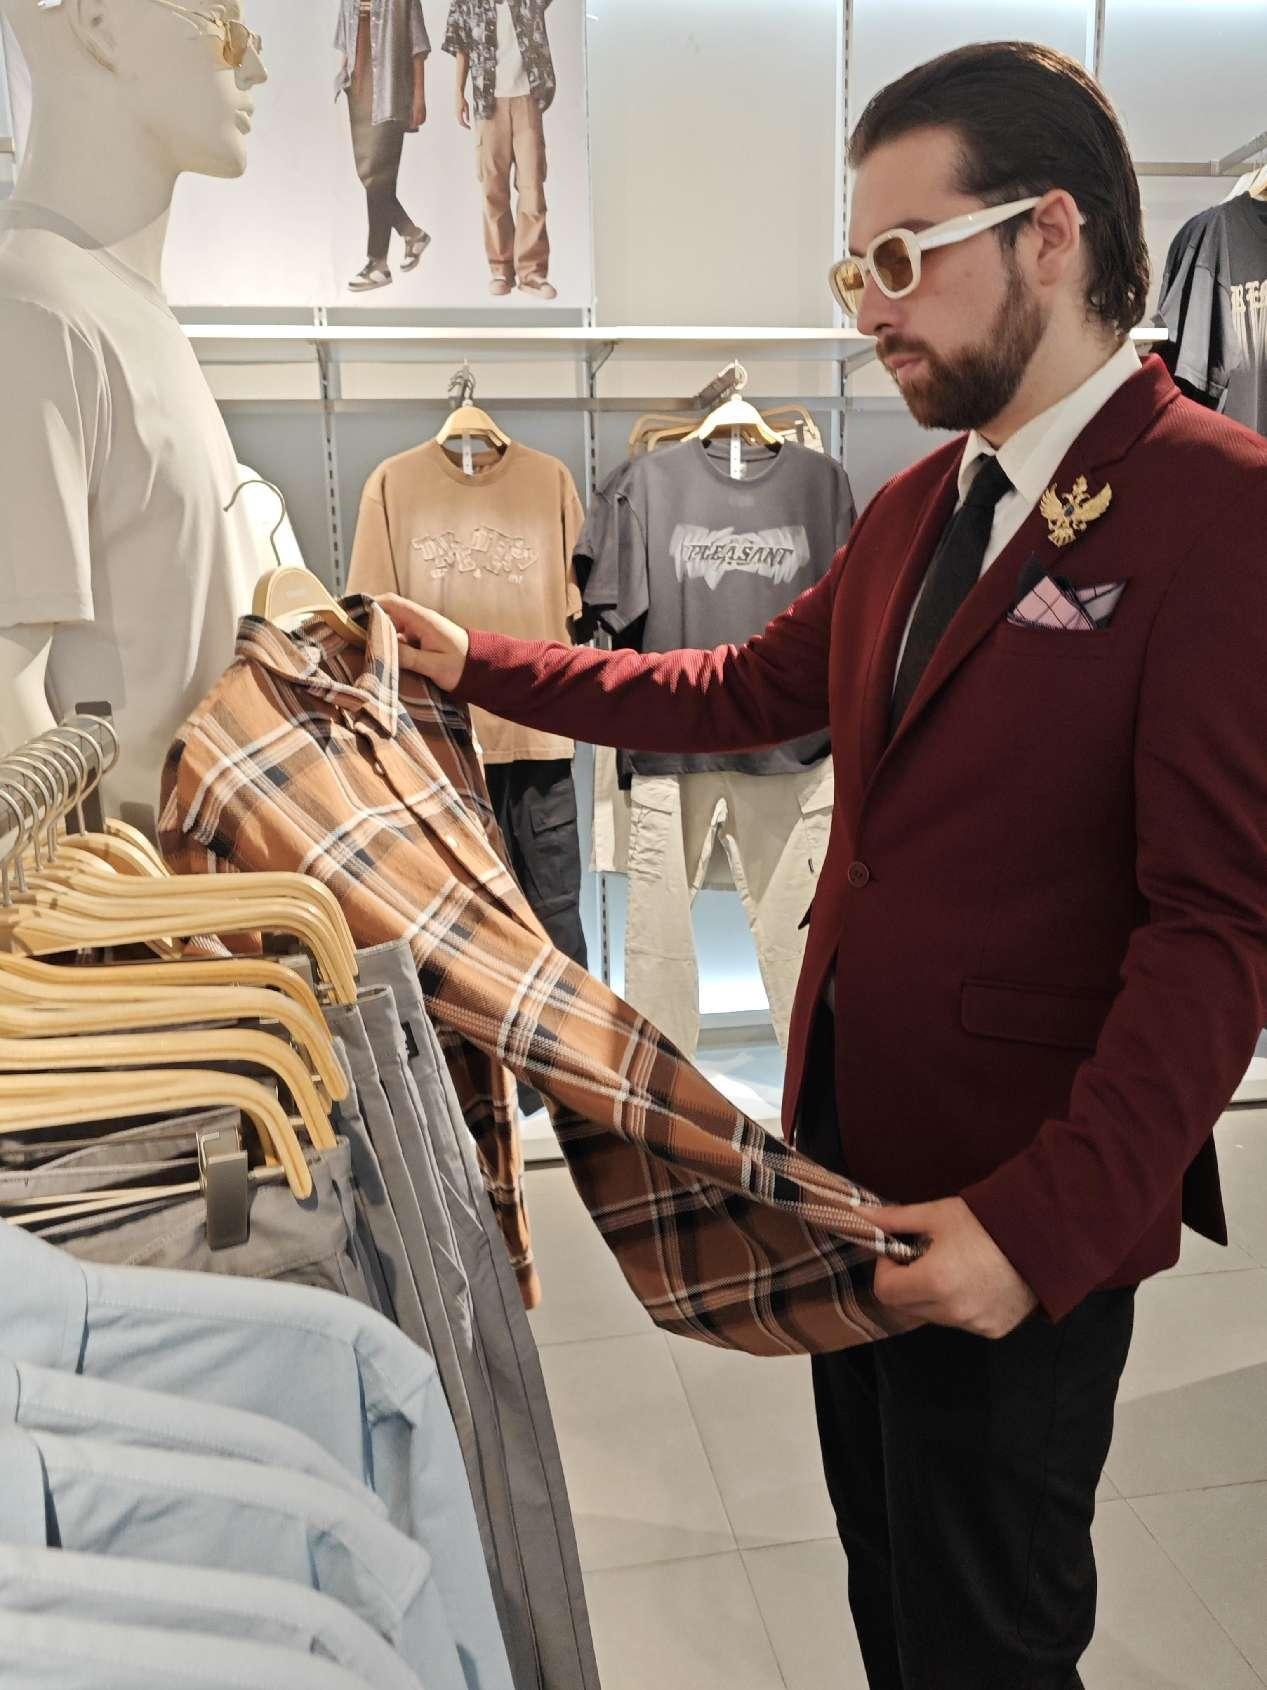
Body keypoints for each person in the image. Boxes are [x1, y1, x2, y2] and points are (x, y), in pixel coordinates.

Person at [378, 40, 1267, 1689]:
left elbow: (1215, 929)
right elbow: (729, 688)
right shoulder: (922, 501)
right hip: (845, 1178)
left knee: (992, 1635)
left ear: (1049, 235)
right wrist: (476, 664)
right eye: (852, 265)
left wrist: (1039, 1227)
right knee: (890, 1598)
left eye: (900, 260)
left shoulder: (1218, 506)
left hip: (1016, 1206)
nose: (867, 306)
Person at [443, 0, 557, 300]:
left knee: (532, 189)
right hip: (488, 102)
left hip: (527, 99)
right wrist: (458, 94)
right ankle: (500, 269)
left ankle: (532, 274)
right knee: (493, 190)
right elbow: (461, 45)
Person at [334, 0, 431, 292]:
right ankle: (411, 234)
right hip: (359, 89)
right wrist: (344, 78)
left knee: (380, 177)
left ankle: (378, 263)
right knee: (369, 175)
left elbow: (418, 48)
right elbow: (345, 41)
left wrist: (418, 98)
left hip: (391, 92)